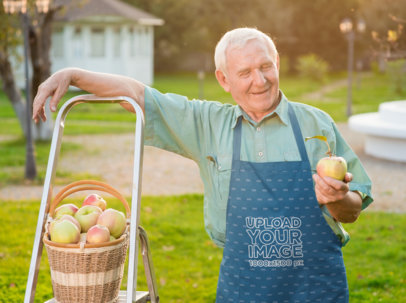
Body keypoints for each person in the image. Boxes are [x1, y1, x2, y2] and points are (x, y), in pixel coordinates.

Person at [33, 28, 372, 302]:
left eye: (266, 66)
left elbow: (353, 208)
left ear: (277, 63)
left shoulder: (317, 125)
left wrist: (338, 199)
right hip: (245, 289)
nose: (260, 80)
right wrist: (72, 74)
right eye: (245, 72)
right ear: (224, 80)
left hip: (315, 289)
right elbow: (136, 94)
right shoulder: (206, 124)